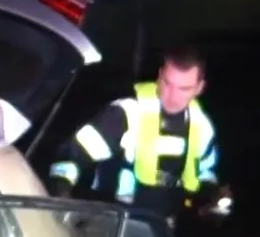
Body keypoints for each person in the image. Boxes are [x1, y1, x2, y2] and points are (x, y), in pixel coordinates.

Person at [48, 46, 229, 225]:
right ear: (159, 76)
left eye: (184, 88)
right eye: (168, 83)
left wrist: (212, 198)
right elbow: (72, 153)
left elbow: (205, 173)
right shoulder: (126, 113)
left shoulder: (202, 127)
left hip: (161, 226)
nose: (172, 96)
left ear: (199, 88)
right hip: (111, 221)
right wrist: (60, 192)